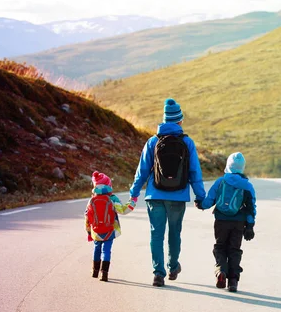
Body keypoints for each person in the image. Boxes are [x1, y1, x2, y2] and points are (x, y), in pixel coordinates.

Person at [129, 98, 207, 287]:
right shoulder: (187, 142)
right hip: (178, 196)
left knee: (156, 234)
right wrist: (201, 197)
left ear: (164, 120)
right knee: (174, 233)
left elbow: (143, 171)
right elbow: (194, 172)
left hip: (155, 196)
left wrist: (134, 192)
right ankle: (173, 267)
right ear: (179, 121)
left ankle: (158, 273)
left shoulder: (152, 142)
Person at [201, 152, 256, 292]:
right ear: (242, 167)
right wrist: (250, 225)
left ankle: (221, 272)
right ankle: (233, 281)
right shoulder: (247, 186)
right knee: (234, 250)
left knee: (220, 247)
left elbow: (209, 200)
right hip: (239, 222)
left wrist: (201, 204)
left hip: (221, 220)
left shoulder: (220, 181)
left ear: (228, 165)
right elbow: (251, 207)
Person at [85, 171, 135, 282]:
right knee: (106, 250)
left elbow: (87, 216)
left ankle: (95, 271)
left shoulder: (92, 200)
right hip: (110, 230)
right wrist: (133, 202)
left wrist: (89, 232)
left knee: (97, 248)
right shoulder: (112, 198)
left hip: (96, 231)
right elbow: (123, 210)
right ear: (109, 185)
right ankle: (104, 273)